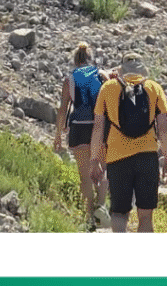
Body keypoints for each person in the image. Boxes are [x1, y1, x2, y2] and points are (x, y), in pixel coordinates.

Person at [89, 53, 167, 233]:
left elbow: (98, 127)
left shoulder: (108, 88)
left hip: (117, 158)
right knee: (145, 217)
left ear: (121, 70)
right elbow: (164, 129)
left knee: (120, 214)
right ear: (142, 69)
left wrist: (94, 159)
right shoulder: (154, 88)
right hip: (147, 158)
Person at [54, 42, 110, 231]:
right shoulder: (101, 75)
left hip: (78, 127)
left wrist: (57, 136)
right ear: (90, 58)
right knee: (103, 169)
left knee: (85, 176)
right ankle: (101, 206)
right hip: (99, 127)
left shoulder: (69, 80)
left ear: (75, 60)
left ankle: (89, 219)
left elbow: (63, 110)